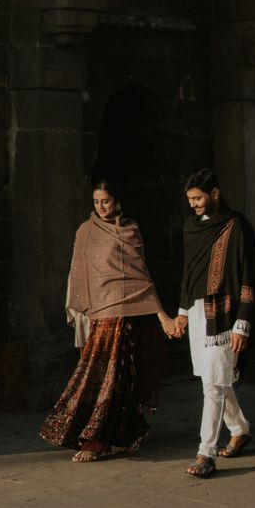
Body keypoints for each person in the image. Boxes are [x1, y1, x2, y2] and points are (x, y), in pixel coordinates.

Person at [41, 178, 179, 462]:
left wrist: (161, 315)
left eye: (106, 201)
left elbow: (140, 276)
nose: (101, 206)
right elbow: (78, 274)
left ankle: (110, 437)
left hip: (129, 316)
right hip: (100, 314)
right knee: (101, 375)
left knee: (120, 378)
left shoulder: (130, 230)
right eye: (96, 202)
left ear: (117, 201)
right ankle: (112, 435)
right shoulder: (86, 231)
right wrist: (81, 312)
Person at [175, 168, 255, 478]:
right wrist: (183, 311)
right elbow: (189, 272)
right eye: (190, 200)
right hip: (198, 313)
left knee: (213, 383)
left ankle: (206, 452)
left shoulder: (237, 227)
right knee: (212, 377)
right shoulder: (191, 228)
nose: (194, 204)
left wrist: (243, 324)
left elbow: (249, 275)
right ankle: (239, 428)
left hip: (226, 314)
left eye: (198, 198)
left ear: (215, 194)